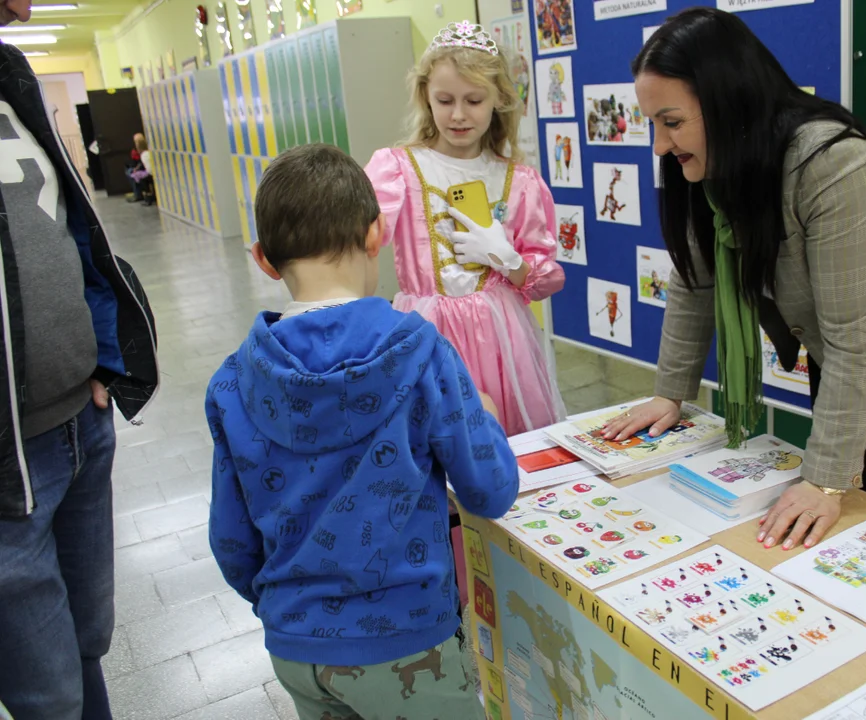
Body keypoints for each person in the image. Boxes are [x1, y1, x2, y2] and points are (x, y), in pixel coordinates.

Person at [604, 7, 866, 552]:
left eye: (671, 122)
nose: (659, 145)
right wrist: (671, 394)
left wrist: (825, 479)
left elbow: (855, 340)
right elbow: (694, 284)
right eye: (653, 123)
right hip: (842, 354)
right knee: (843, 488)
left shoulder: (836, 167)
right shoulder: (714, 166)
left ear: (728, 104)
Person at [205, 144, 518, 720]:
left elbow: (231, 539)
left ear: (264, 259)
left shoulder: (232, 383)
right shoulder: (421, 352)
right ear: (377, 234)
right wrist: (487, 423)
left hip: (296, 648)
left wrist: (291, 609)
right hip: (409, 641)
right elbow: (490, 490)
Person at [0, 6, 159, 719]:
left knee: (86, 643)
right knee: (42, 686)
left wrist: (102, 355)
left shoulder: (11, 78)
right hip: (10, 470)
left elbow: (73, 234)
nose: (24, 9)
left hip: (79, 425)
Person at [365, 19, 566, 437]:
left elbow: (546, 281)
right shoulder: (399, 168)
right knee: (437, 444)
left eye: (474, 100)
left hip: (502, 337)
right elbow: (358, 240)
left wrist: (508, 259)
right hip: (428, 333)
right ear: (426, 97)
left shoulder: (519, 181)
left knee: (509, 444)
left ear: (498, 100)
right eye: (444, 100)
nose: (458, 115)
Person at [125, 133, 153, 205]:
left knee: (132, 174)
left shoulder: (143, 154)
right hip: (146, 170)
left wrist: (136, 169)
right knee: (131, 172)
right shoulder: (147, 151)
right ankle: (139, 194)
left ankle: (139, 194)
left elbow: (141, 164)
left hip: (148, 172)